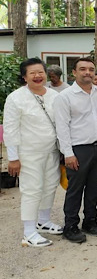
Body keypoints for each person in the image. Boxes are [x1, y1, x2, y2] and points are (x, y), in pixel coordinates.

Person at [4, 58, 62, 247]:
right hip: (29, 153)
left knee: (50, 185)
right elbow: (10, 129)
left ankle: (43, 221)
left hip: (52, 151)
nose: (37, 76)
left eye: (40, 72)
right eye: (32, 73)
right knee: (32, 189)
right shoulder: (15, 98)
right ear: (24, 77)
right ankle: (29, 232)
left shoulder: (54, 96)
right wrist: (13, 158)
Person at [54, 58, 97, 243]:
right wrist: (68, 153)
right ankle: (70, 225)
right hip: (78, 149)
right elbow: (62, 127)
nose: (87, 72)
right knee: (75, 189)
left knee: (94, 187)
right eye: (83, 69)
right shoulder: (65, 97)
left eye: (91, 69)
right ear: (74, 72)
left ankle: (90, 221)